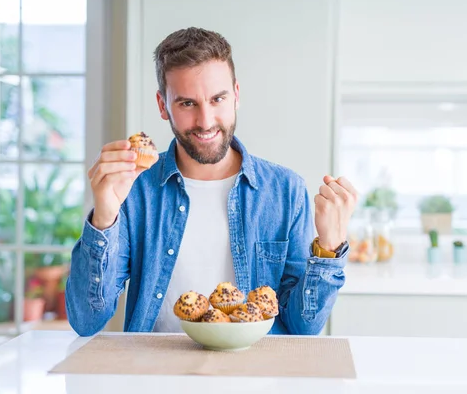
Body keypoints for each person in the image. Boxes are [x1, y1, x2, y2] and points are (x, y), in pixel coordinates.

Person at [66, 27, 357, 336]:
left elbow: (304, 327)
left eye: (217, 99)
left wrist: (328, 248)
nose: (205, 121)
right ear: (163, 105)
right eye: (187, 103)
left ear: (236, 96)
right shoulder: (134, 191)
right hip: (156, 376)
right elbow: (86, 321)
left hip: (253, 377)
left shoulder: (286, 191)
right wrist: (104, 216)